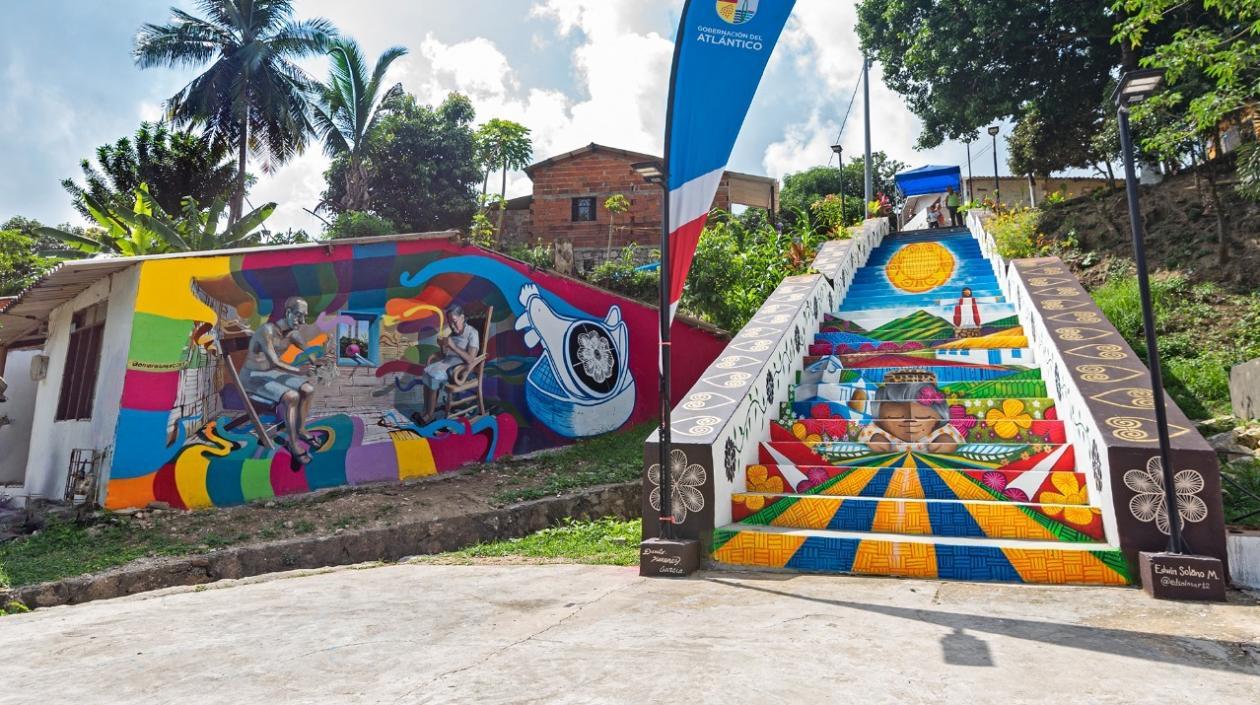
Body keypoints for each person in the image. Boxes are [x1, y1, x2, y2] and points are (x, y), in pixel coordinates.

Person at [240, 297, 320, 465]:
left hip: (269, 374)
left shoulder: (293, 334)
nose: (302, 321)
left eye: (305, 316)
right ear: (288, 313)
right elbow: (275, 362)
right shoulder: (267, 331)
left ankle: (301, 429)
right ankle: (292, 444)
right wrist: (299, 370)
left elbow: (308, 351)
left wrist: (316, 361)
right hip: (252, 377)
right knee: (292, 396)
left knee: (308, 389)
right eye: (298, 315)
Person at [859, 381, 964, 454]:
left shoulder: (939, 431)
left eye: (923, 417)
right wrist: (876, 441)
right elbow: (866, 439)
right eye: (895, 417)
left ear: (938, 418)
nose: (910, 423)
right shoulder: (878, 430)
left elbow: (953, 441)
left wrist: (945, 441)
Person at [420, 304, 480, 422]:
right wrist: (442, 346)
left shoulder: (472, 333)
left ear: (462, 317)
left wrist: (453, 346)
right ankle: (426, 410)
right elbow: (444, 355)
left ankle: (430, 415)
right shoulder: (452, 334)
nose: (452, 326)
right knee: (426, 372)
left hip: (459, 369)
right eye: (450, 322)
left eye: (454, 321)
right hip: (447, 363)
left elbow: (471, 359)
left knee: (433, 376)